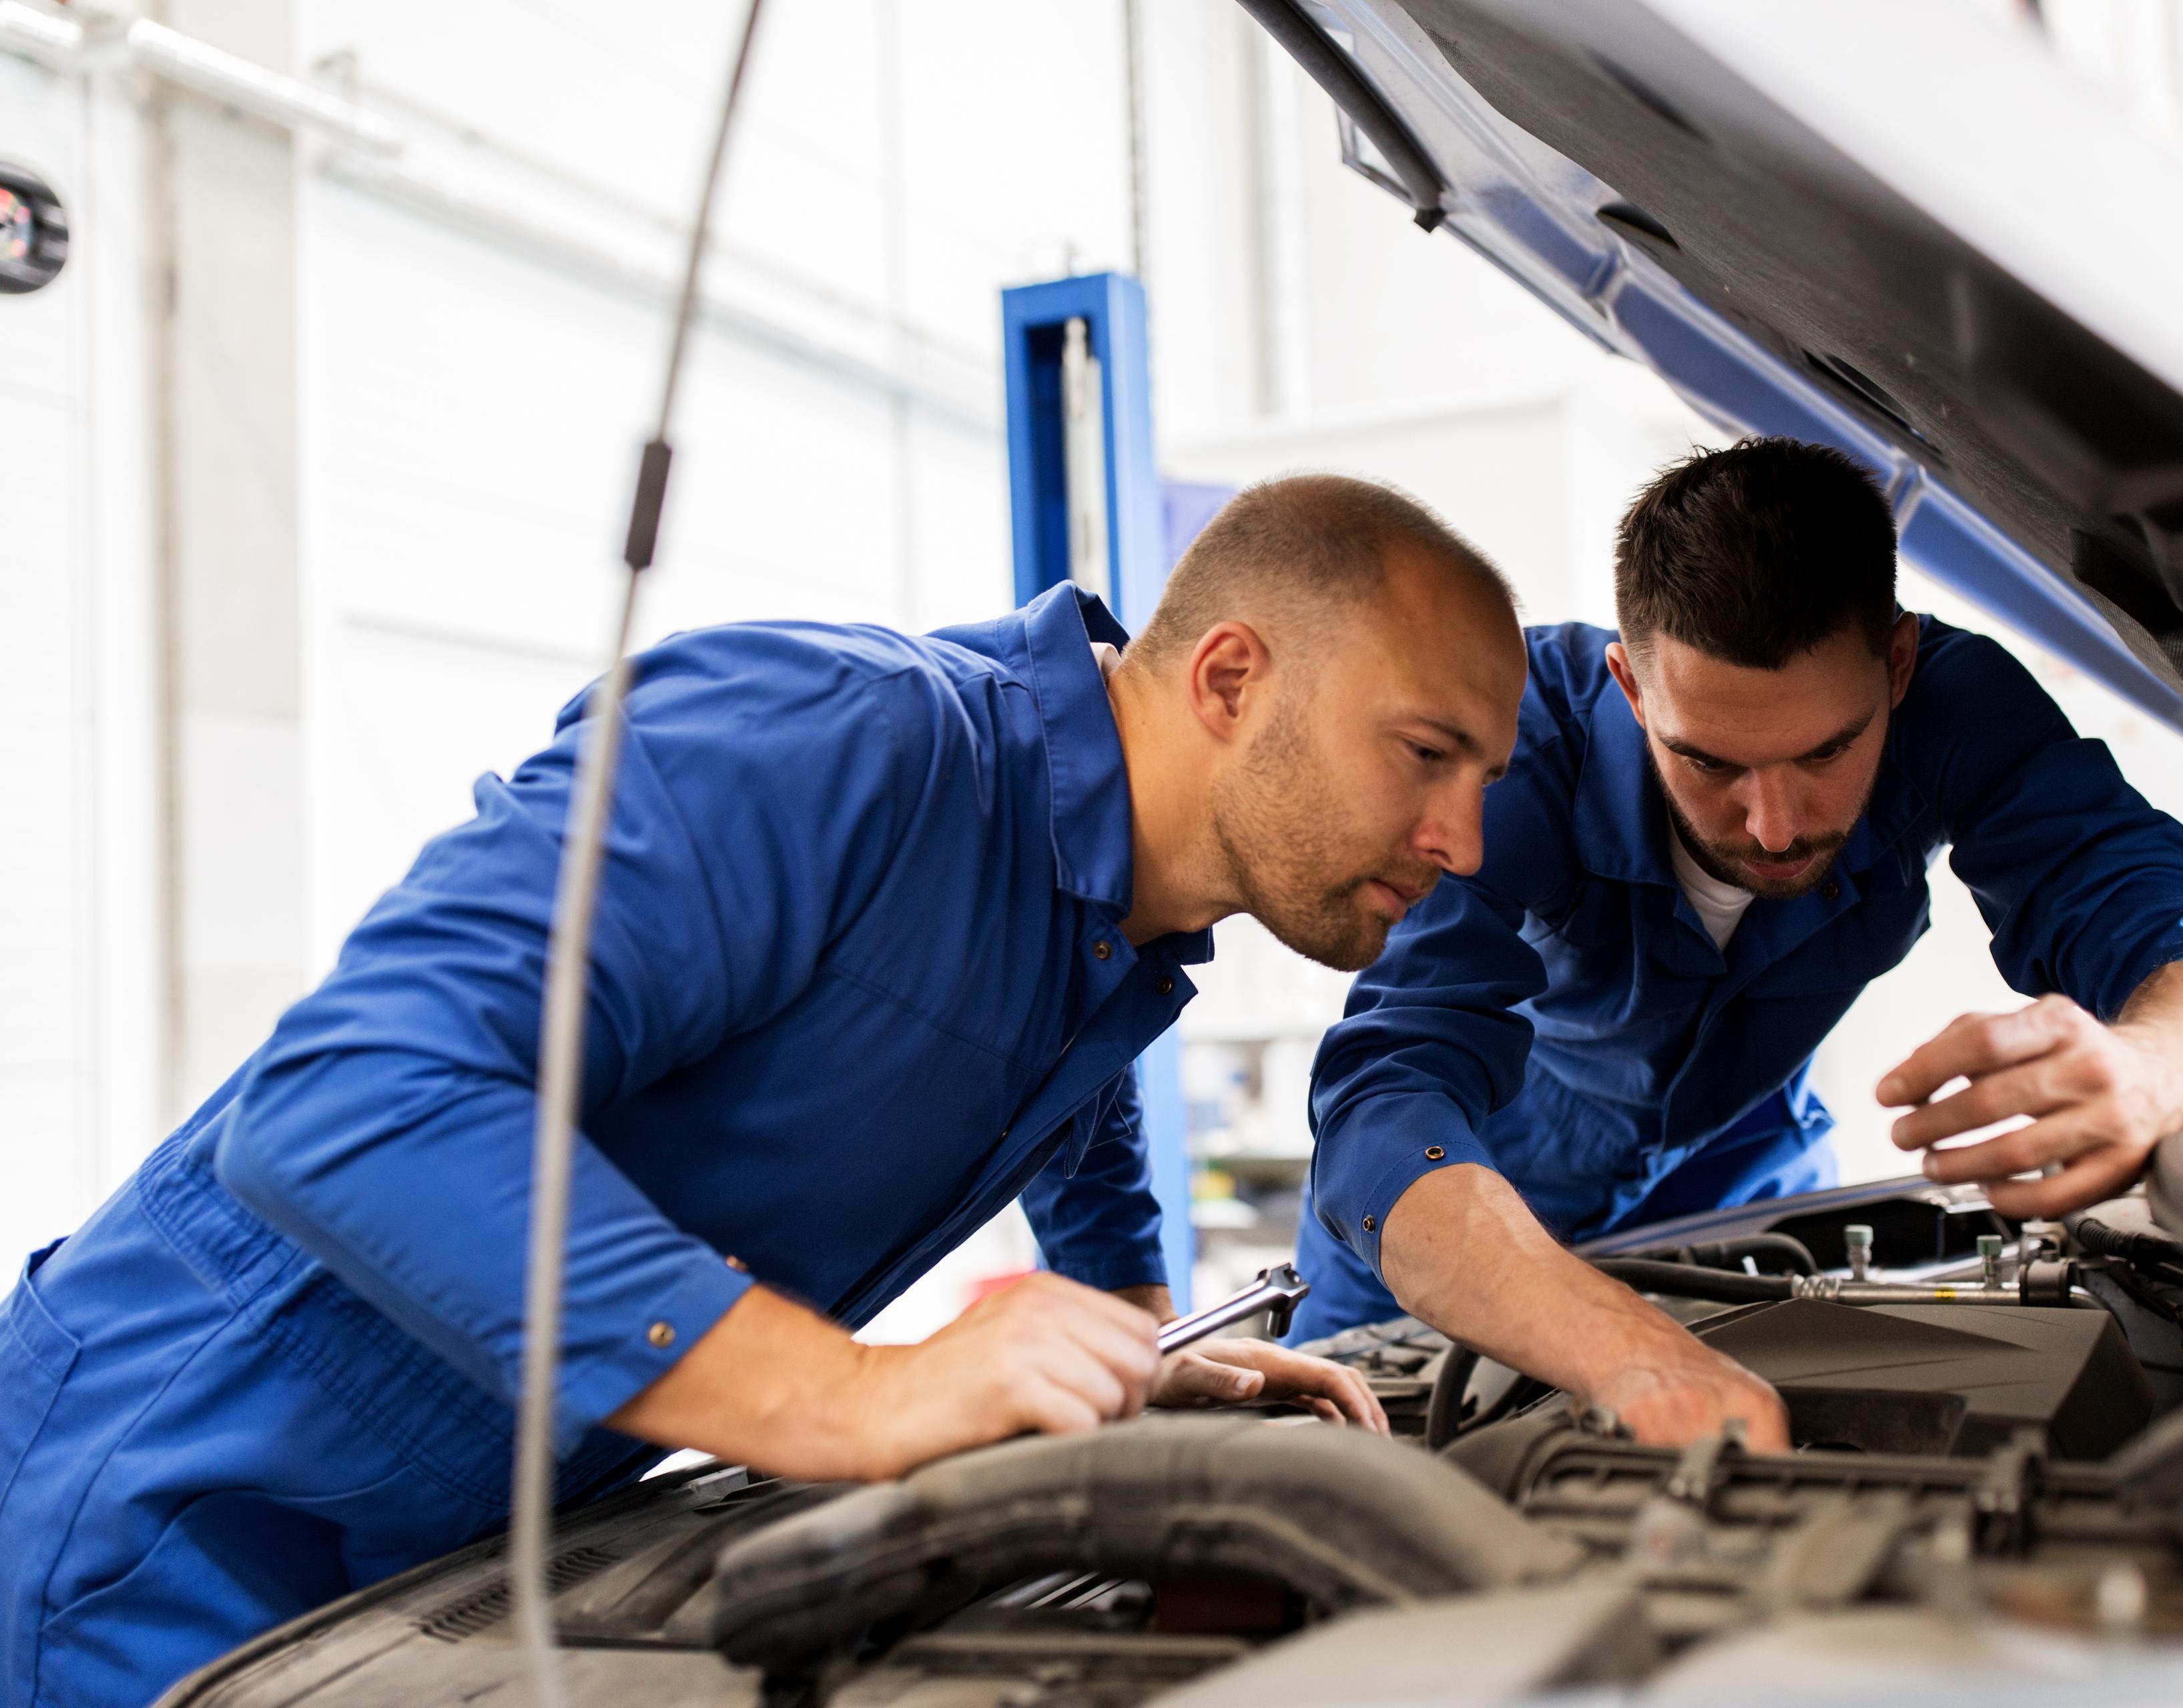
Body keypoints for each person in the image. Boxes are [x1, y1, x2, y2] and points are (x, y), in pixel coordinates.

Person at [0, 474, 1528, 1707]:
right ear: (1232, 677)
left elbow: (1073, 1098)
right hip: (151, 1516)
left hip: (461, 1559)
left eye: (1488, 780)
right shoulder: (842, 740)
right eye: (1425, 752)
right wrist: (854, 1392)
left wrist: (1132, 1356)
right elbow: (346, 1095)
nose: (1463, 840)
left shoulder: (1120, 923)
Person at [1290, 438, 2183, 1450]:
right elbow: (1383, 1102)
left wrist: (2149, 1072)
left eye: (1826, 752)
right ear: (1633, 690)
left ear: (1897, 667)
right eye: (1709, 763)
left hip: (1739, 1203)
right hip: (1452, 1227)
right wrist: (1622, 1349)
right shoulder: (1509, 752)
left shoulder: (1958, 711)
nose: (1774, 828)